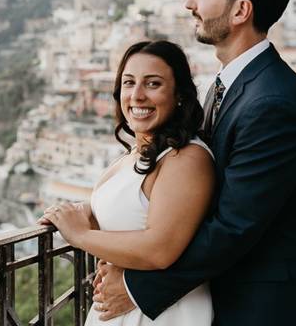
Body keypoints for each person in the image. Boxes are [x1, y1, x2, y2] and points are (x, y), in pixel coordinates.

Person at [93, 0, 296, 325]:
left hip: (267, 311)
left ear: (240, 10)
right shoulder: (232, 87)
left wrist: (139, 289)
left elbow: (233, 227)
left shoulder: (273, 102)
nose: (189, 3)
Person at [40, 39, 215, 325]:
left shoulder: (186, 159)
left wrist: (79, 235)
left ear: (180, 95)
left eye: (153, 84)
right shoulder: (135, 154)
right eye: (129, 83)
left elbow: (160, 249)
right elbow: (133, 210)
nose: (137, 95)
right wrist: (87, 209)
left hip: (162, 314)